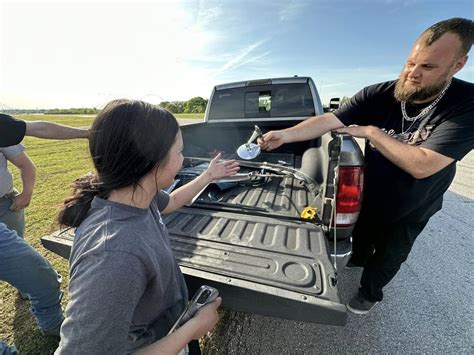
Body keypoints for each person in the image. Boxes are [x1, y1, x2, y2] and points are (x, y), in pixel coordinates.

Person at [259, 18, 474, 315]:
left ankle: (369, 293)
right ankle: (358, 258)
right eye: (410, 62)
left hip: (414, 203)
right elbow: (329, 120)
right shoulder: (379, 94)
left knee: (390, 254)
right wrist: (285, 135)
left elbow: (423, 165)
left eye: (427, 67)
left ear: (457, 65)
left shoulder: (466, 104)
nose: (412, 74)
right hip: (371, 192)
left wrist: (372, 132)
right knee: (363, 238)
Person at [55, 99, 240, 354]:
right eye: (179, 152)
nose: (182, 160)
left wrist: (208, 176)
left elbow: (173, 200)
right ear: (152, 161)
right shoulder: (115, 255)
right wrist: (193, 329)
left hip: (168, 333)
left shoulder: (136, 195)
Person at [0, 114, 89, 339]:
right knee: (41, 274)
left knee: (34, 273)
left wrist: (86, 133)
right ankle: (51, 324)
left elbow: (38, 128)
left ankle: (42, 312)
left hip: (5, 205)